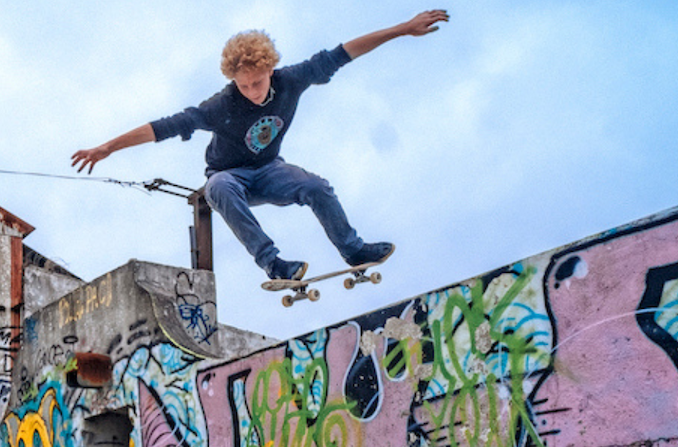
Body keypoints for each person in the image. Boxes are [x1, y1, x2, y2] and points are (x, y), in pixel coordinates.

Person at [72, 10, 449, 282]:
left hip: (270, 171)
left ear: (271, 70)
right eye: (244, 85)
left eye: (258, 82)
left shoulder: (292, 79)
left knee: (316, 186)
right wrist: (107, 147)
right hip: (229, 177)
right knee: (217, 186)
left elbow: (343, 53)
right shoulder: (220, 106)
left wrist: (402, 29)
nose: (252, 92)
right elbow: (163, 127)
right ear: (234, 79)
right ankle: (273, 264)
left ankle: (352, 250)